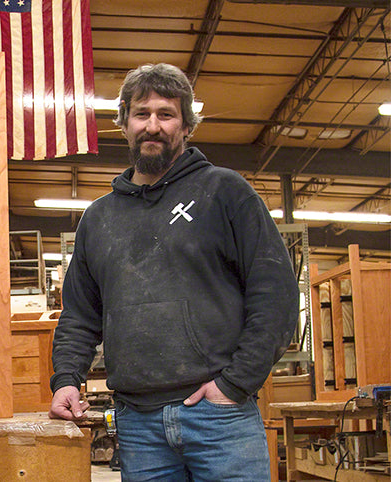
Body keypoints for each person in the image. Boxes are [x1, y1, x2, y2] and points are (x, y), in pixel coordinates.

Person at [48, 63, 299, 480]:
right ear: (124, 123)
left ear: (186, 126)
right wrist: (66, 381)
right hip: (138, 426)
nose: (153, 125)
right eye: (141, 113)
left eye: (166, 114)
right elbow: (79, 316)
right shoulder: (98, 217)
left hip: (222, 419)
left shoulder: (225, 191)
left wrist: (233, 385)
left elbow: (275, 295)